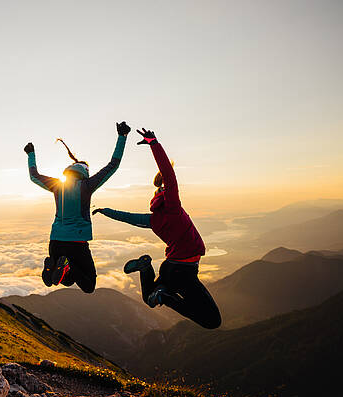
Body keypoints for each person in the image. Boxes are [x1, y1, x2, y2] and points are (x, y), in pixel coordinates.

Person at [93, 128, 221, 329]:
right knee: (212, 321)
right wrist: (154, 143)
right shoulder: (172, 207)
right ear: (164, 191)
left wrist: (105, 210)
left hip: (172, 268)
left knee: (149, 296)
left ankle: (146, 268)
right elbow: (168, 174)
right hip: (184, 271)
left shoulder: (153, 219)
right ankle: (164, 294)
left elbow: (128, 218)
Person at [24, 121, 131, 293]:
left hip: (55, 241)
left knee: (63, 280)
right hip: (77, 243)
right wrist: (122, 136)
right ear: (84, 171)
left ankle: (54, 267)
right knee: (89, 285)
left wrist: (31, 154)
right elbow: (113, 165)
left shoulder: (57, 185)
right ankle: (63, 267)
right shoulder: (87, 185)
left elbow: (34, 176)